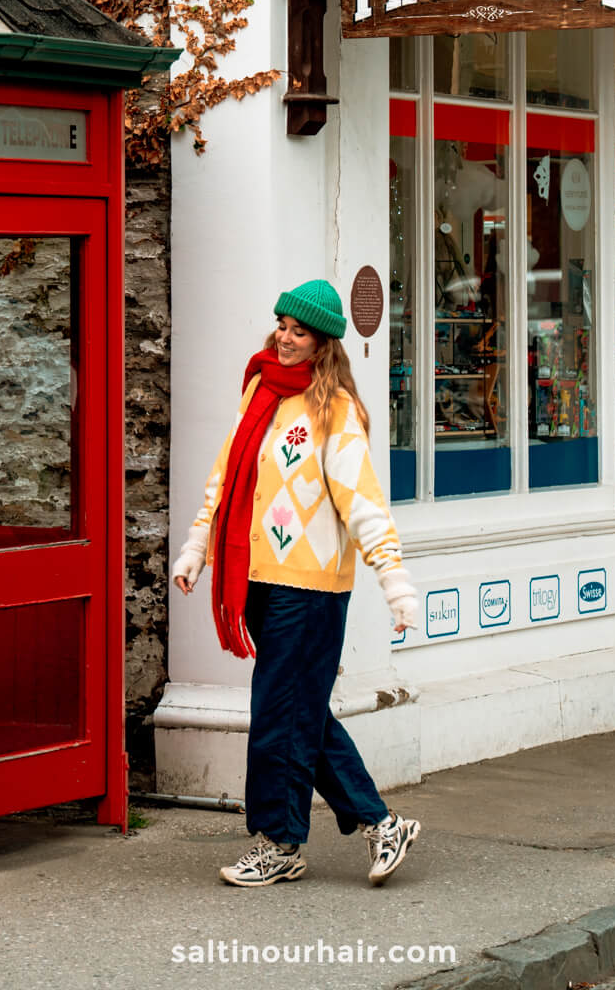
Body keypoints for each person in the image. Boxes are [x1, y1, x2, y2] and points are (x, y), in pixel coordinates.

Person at [172, 278, 421, 889]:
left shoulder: (335, 411)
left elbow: (363, 504)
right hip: (257, 579)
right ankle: (382, 823)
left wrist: (396, 584)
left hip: (310, 590)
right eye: (281, 325)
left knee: (279, 714)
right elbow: (227, 476)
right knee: (300, 712)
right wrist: (197, 547)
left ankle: (278, 843)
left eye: (298, 331)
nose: (284, 338)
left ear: (323, 342)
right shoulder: (259, 388)